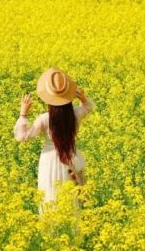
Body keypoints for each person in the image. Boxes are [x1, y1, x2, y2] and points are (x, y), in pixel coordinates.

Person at [13, 67, 95, 215]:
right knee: (71, 200)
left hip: (49, 162)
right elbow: (89, 107)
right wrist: (83, 98)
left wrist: (23, 114)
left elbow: (22, 136)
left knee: (51, 196)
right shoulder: (75, 114)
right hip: (70, 160)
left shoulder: (45, 119)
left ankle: (52, 227)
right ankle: (71, 226)